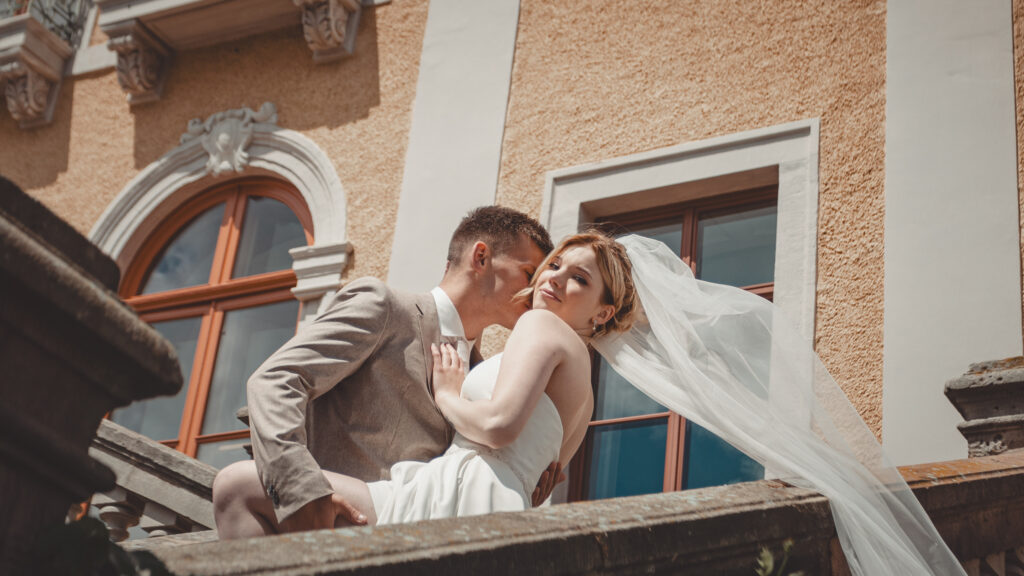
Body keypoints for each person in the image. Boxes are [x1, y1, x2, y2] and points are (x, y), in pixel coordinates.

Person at [221, 231, 638, 527]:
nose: (545, 282)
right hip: (345, 509)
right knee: (242, 484)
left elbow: (497, 429)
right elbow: (276, 381)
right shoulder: (386, 307)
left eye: (578, 278)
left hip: (435, 506)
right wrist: (301, 491)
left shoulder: (529, 341)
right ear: (481, 258)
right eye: (542, 268)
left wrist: (448, 394)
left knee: (235, 485)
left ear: (603, 312)